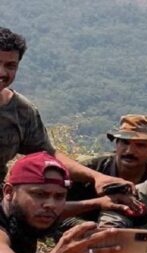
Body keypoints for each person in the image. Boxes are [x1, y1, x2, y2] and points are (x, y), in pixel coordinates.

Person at [0, 27, 132, 191]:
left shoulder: (21, 111)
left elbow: (49, 156)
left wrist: (97, 177)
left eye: (10, 66)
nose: (2, 72)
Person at [64, 114, 147, 223]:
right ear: (116, 143)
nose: (130, 151)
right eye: (125, 142)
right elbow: (53, 211)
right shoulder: (89, 170)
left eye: (140, 145)